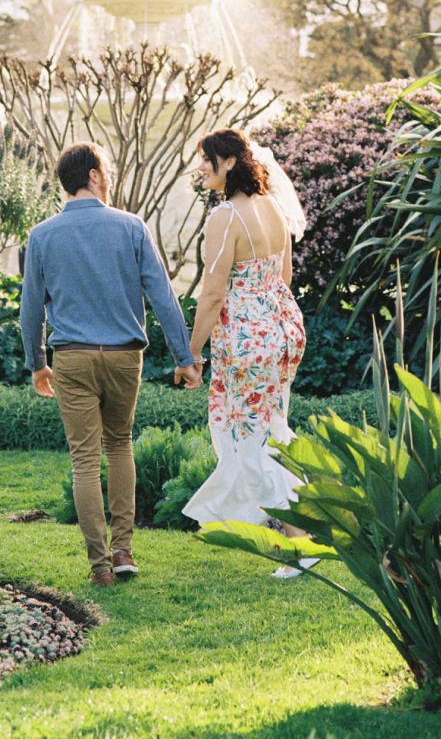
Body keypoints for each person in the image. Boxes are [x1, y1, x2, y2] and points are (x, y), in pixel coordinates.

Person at [20, 141, 201, 588]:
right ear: (95, 175)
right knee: (119, 445)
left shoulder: (43, 235)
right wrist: (184, 358)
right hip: (124, 357)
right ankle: (124, 550)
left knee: (84, 461)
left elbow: (30, 310)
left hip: (72, 358)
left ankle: (99, 566)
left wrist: (36, 362)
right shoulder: (130, 226)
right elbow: (163, 295)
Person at [182, 129, 315, 578]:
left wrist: (192, 350)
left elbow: (213, 292)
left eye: (207, 159)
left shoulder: (226, 217)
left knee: (250, 439)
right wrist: (268, 322)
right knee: (271, 430)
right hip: (281, 330)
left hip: (246, 340)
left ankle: (302, 544)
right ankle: (299, 528)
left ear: (230, 162)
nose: (202, 167)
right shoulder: (274, 208)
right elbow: (285, 275)